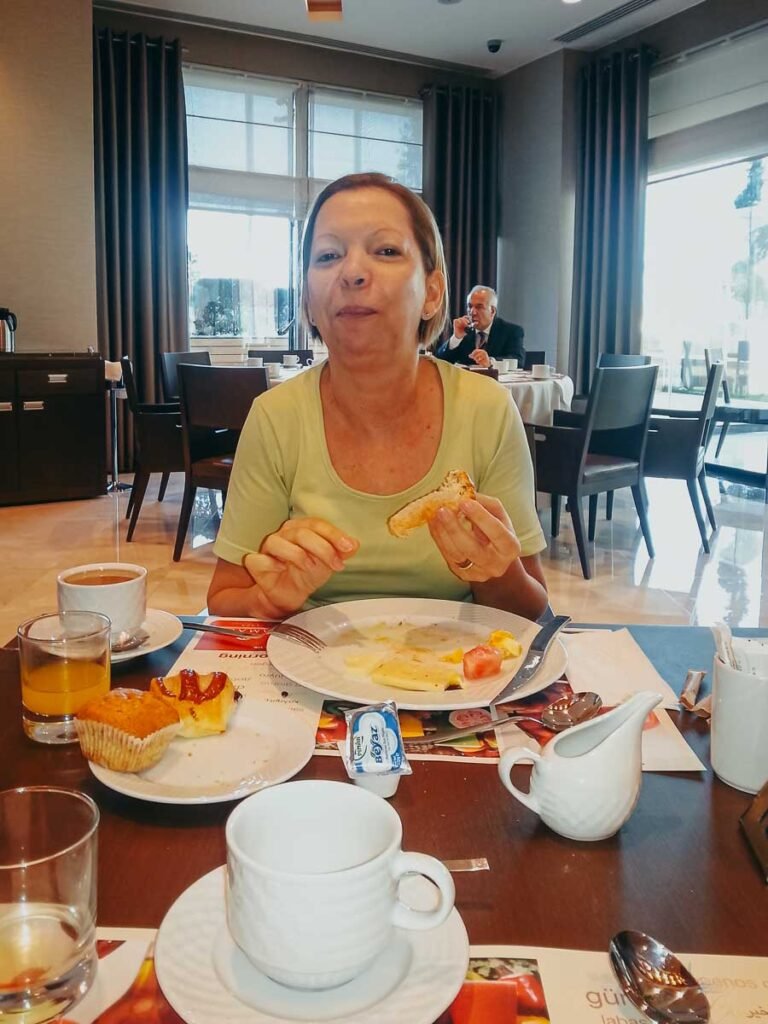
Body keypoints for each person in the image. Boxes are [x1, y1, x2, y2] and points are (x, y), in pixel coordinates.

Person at [207, 173, 548, 621]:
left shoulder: (486, 409)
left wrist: (495, 572)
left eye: (386, 250)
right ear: (309, 300)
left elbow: (531, 609)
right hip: (307, 673)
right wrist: (268, 599)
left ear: (431, 292)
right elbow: (226, 599)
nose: (351, 272)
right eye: (328, 255)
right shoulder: (276, 416)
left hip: (455, 676)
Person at [435, 286, 525, 368]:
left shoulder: (511, 331)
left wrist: (490, 361)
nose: (472, 312)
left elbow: (518, 361)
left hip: (496, 383)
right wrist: (456, 338)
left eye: (479, 307)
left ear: (492, 311)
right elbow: (439, 361)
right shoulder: (464, 330)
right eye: (470, 306)